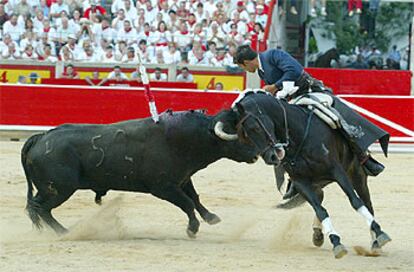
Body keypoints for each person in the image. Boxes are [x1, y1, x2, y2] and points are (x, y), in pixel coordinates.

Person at [233, 44, 388, 199]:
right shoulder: (261, 70)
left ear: (246, 62)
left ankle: (363, 158)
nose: (244, 70)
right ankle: (294, 177)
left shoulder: (272, 55)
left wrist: (275, 86)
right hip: (290, 103)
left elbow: (295, 70)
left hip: (309, 92)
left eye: (242, 67)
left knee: (335, 118)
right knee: (279, 136)